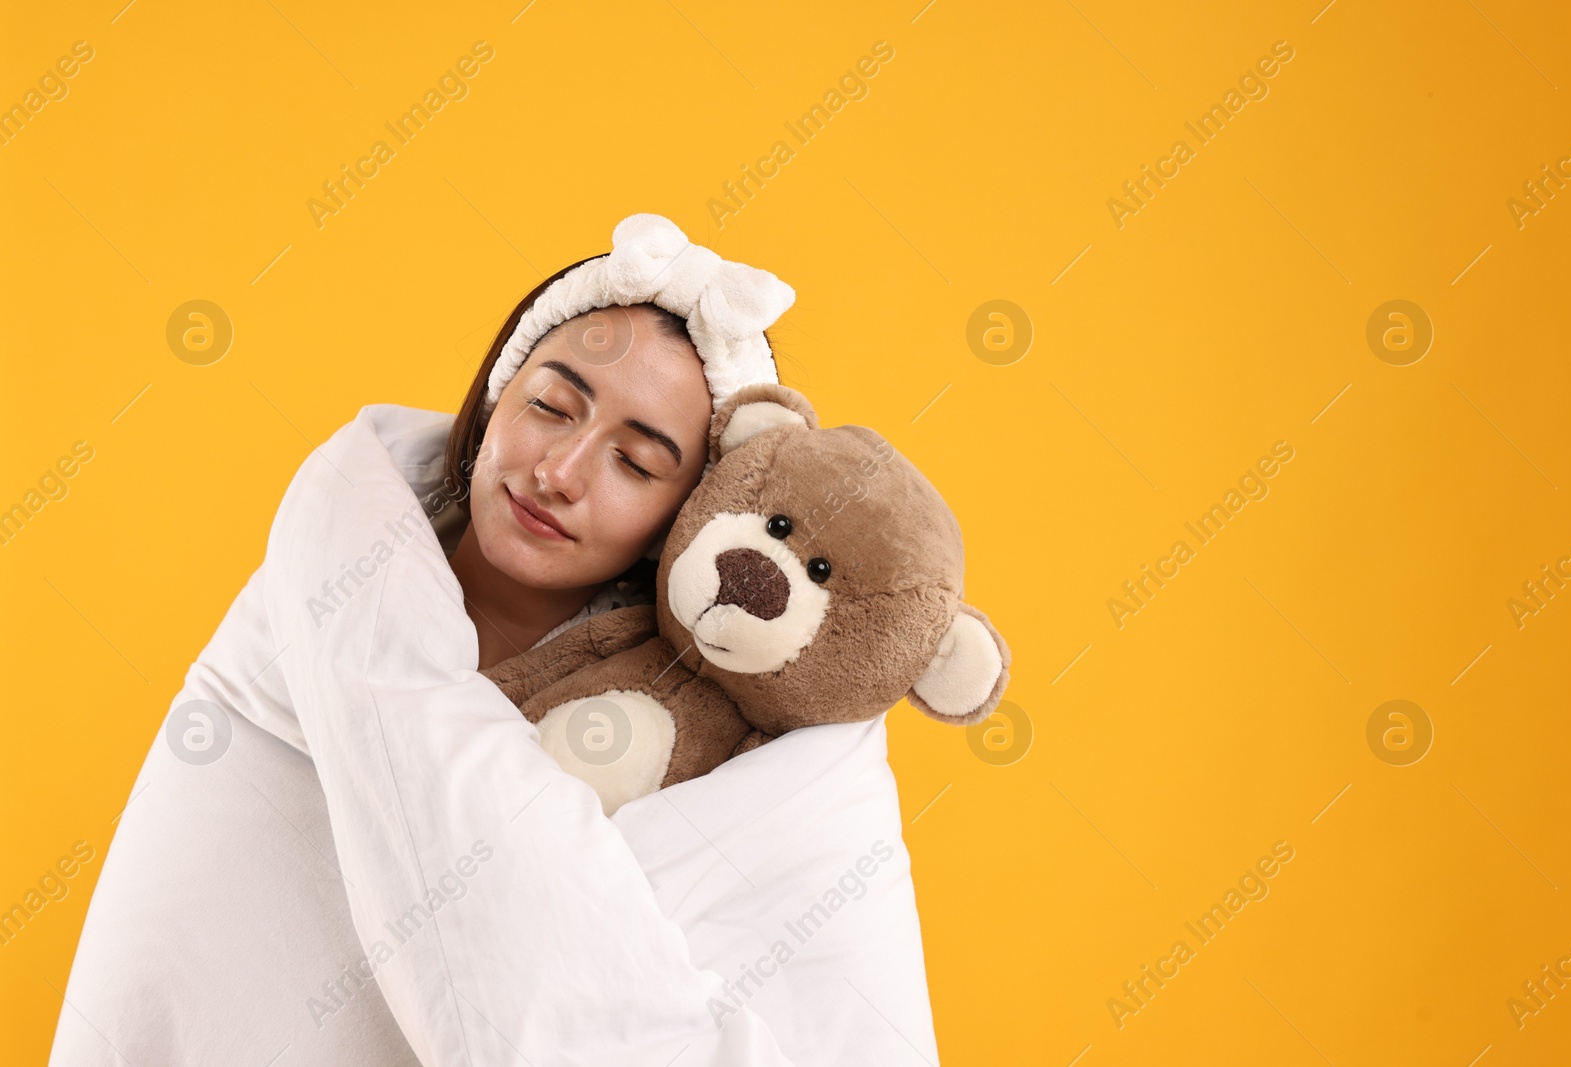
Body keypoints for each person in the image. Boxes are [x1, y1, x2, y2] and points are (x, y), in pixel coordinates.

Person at [48, 215, 941, 1066]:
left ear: (687, 517)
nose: (558, 472)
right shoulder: (330, 589)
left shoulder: (717, 740)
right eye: (552, 406)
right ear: (492, 398)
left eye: (635, 463)